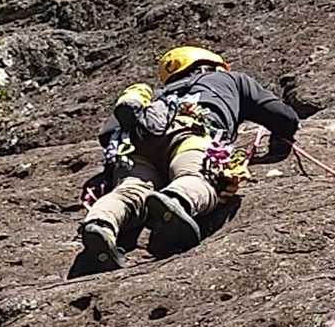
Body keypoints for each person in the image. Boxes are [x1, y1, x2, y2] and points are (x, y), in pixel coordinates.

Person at [79, 45, 300, 271]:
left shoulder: (156, 97)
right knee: (196, 176)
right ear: (215, 64)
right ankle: (176, 201)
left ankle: (100, 223)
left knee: (129, 190)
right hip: (190, 133)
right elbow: (282, 117)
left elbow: (108, 134)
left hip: (135, 144)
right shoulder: (230, 79)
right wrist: (281, 135)